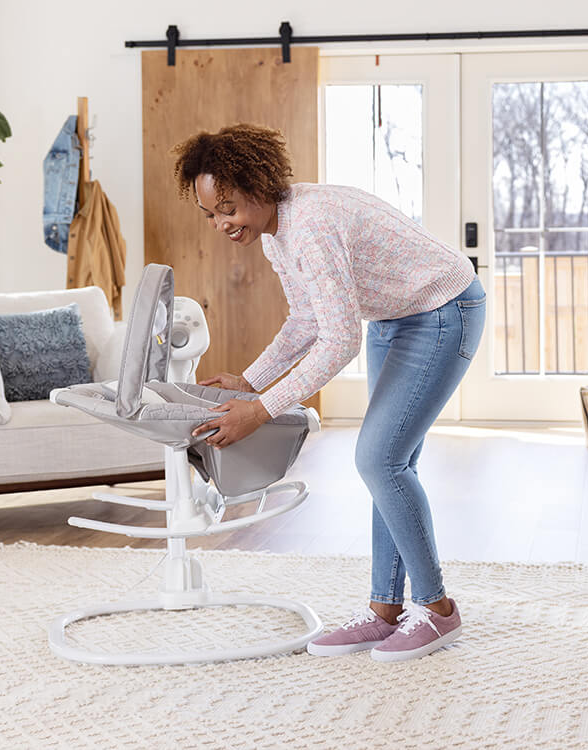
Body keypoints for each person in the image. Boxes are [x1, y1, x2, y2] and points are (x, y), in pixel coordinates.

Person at [173, 123, 486, 662]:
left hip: (442, 311)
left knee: (379, 459)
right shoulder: (278, 232)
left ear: (258, 183)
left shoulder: (311, 226)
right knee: (389, 464)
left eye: (228, 207)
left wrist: (261, 409)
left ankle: (437, 611)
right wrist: (250, 380)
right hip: (395, 317)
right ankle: (386, 610)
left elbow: (339, 340)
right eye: (210, 213)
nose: (221, 223)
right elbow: (308, 319)